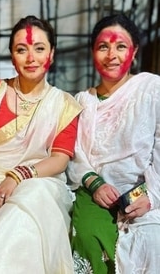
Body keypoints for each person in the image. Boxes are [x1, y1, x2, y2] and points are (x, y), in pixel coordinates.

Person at [0, 15, 82, 274]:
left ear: (52, 54)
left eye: (39, 48)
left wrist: (18, 176)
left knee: (30, 205)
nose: (31, 58)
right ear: (12, 57)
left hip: (37, 181)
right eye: (21, 50)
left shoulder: (64, 104)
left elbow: (59, 159)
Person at [68, 14, 160, 273]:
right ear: (92, 52)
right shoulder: (82, 101)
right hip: (96, 192)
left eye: (120, 46)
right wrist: (94, 184)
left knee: (153, 238)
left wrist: (151, 197)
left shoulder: (152, 89)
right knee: (88, 236)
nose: (112, 55)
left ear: (134, 52)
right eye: (103, 47)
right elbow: (76, 153)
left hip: (149, 190)